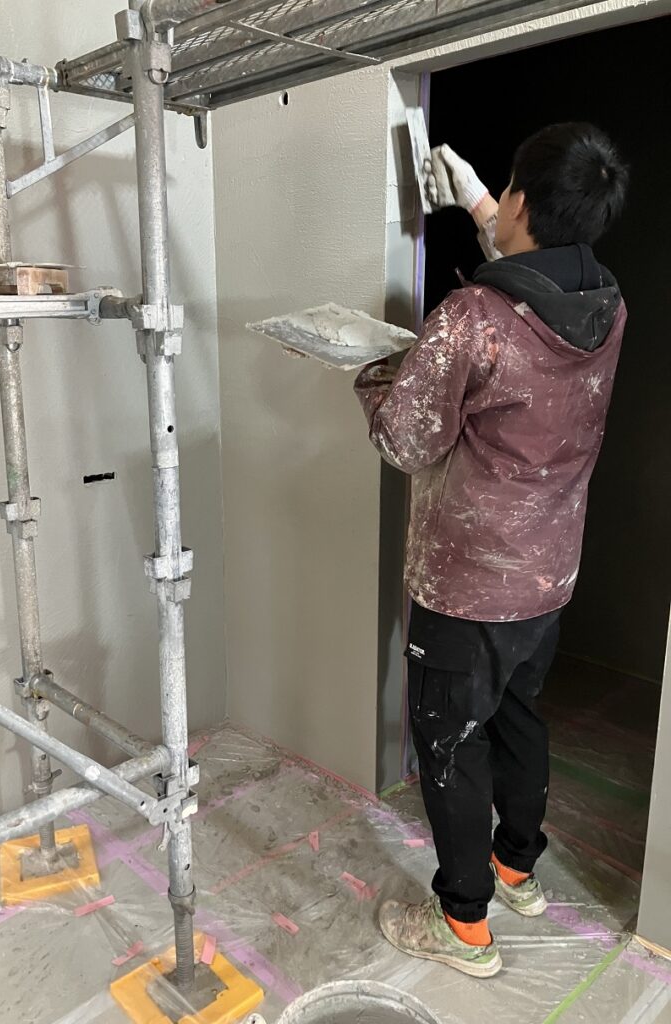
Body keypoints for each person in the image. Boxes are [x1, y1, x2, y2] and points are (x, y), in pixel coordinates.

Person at [354, 123, 629, 978]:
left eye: (506, 189)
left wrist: (374, 373)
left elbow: (405, 440)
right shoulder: (607, 306)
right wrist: (477, 202)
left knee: (451, 743)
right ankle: (517, 869)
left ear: (525, 201)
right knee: (517, 715)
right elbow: (533, 286)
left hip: (466, 581)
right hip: (547, 574)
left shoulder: (470, 319)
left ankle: (464, 924)